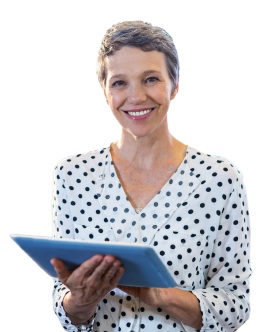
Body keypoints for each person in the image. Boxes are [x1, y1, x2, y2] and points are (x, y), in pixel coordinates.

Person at [50, 20, 252, 332]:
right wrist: (80, 302)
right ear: (104, 92)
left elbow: (236, 306)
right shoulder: (73, 176)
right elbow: (63, 310)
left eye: (151, 79)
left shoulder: (220, 179)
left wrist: (161, 295)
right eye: (119, 83)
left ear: (175, 84)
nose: (136, 96)